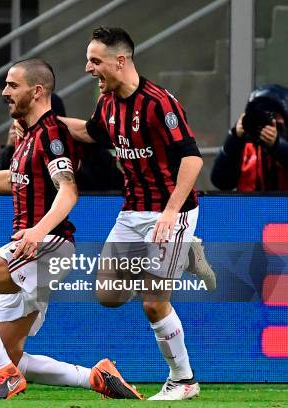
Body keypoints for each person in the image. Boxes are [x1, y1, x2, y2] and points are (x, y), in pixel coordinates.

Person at [0, 58, 142, 400]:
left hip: (45, 246)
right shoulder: (29, 136)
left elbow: (68, 190)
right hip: (37, 245)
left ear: (37, 90)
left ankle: (6, 377)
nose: (5, 93)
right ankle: (95, 377)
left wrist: (38, 231)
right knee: (8, 354)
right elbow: (13, 180)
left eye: (13, 85)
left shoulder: (52, 133)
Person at [59, 27, 206, 400]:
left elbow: (191, 158)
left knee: (154, 302)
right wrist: (46, 122)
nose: (88, 68)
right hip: (132, 210)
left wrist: (171, 213)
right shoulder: (106, 103)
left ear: (120, 61)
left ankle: (184, 380)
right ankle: (182, 254)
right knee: (107, 294)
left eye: (95, 60)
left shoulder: (160, 104)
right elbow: (92, 133)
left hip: (171, 212)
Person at [211, 84, 288, 191]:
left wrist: (277, 145)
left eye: (273, 116)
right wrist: (234, 138)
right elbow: (221, 182)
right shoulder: (244, 148)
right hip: (249, 206)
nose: (268, 121)